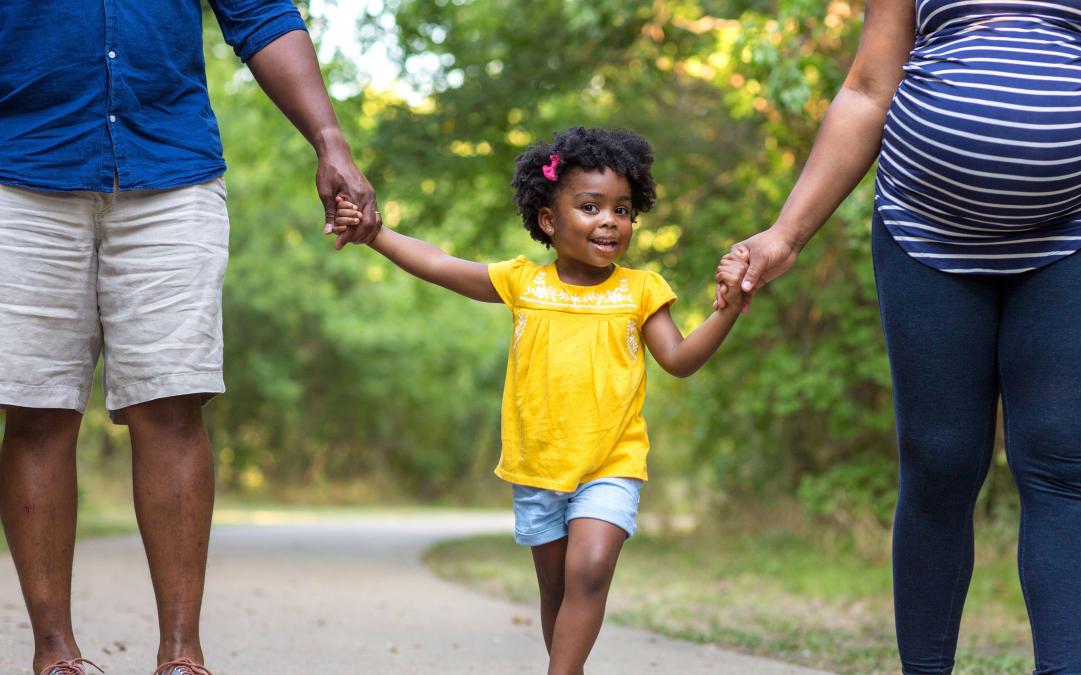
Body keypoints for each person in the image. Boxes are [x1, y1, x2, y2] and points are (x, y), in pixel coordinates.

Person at [716, 0, 1081, 673]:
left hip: (1077, 233)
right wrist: (786, 232)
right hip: (924, 230)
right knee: (938, 462)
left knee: (1062, 463)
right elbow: (867, 86)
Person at [0, 3, 379, 674]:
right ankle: (54, 654)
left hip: (170, 169)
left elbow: (261, 15)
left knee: (173, 403)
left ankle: (182, 655)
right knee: (35, 409)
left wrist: (330, 140)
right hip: (19, 169)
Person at [334, 126, 748, 675]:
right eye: (591, 206)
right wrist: (374, 234)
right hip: (538, 467)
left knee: (590, 570)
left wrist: (729, 309)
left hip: (611, 463)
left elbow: (679, 359)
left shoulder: (642, 289)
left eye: (622, 210)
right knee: (556, 590)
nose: (609, 221)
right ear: (549, 220)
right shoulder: (523, 282)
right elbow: (438, 263)